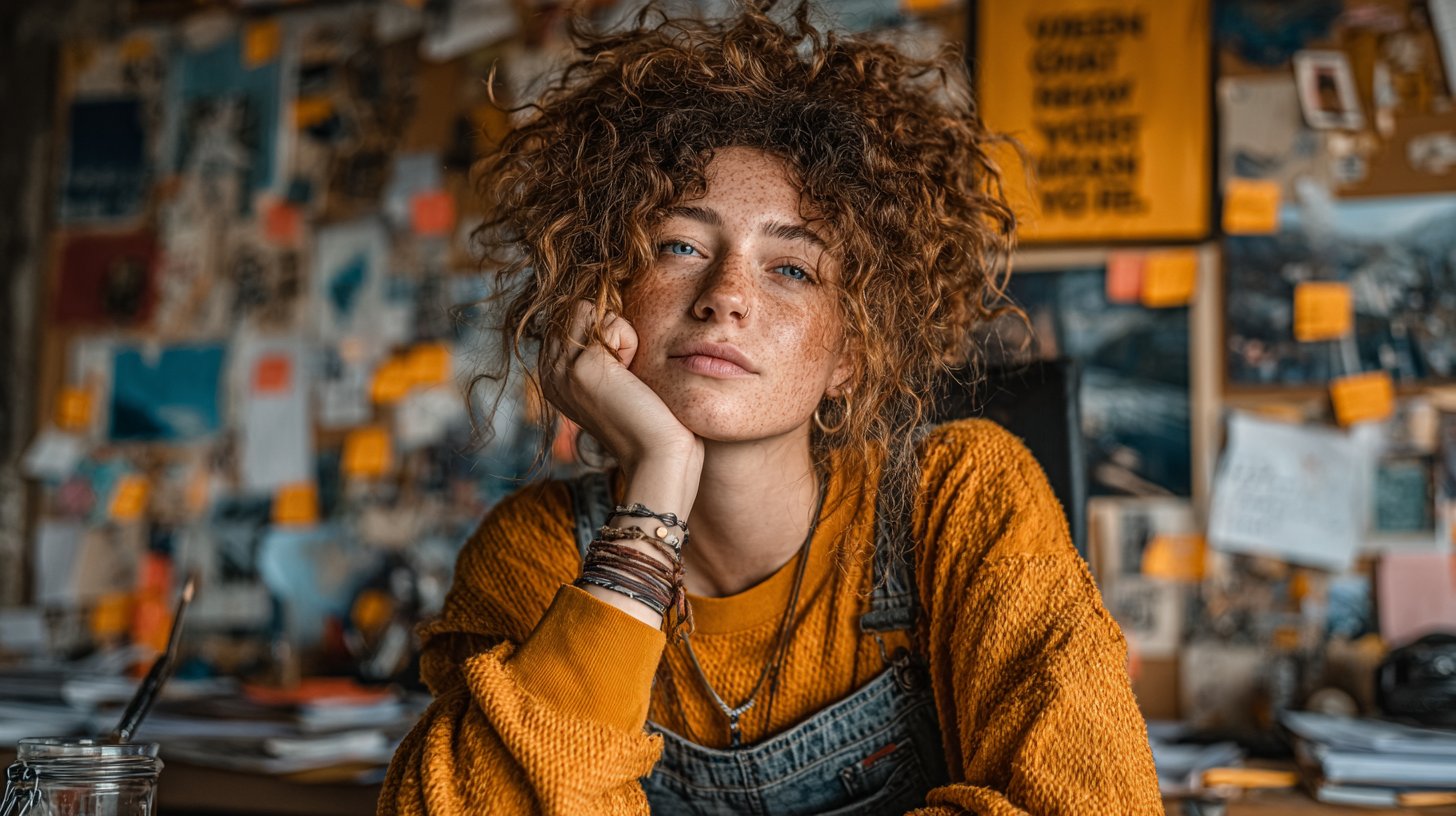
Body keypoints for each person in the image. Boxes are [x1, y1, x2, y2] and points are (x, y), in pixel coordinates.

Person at [379, 2, 1161, 813]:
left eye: (791, 269)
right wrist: (652, 500)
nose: (725, 298)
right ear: (606, 297)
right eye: (680, 246)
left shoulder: (961, 498)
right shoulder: (537, 554)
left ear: (852, 355)